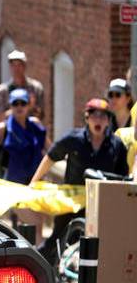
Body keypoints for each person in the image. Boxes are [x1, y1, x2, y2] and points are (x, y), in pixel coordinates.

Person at [31, 98, 129, 265]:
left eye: (103, 116)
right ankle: (43, 269)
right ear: (87, 118)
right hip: (71, 201)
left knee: (100, 246)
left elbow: (123, 177)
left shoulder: (117, 145)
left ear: (108, 120)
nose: (98, 120)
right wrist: (34, 181)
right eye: (94, 116)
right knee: (55, 241)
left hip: (101, 202)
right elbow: (51, 157)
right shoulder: (73, 138)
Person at [0, 88, 49, 243]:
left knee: (37, 225)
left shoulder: (35, 125)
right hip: (11, 186)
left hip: (34, 184)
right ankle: (39, 258)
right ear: (10, 106)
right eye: (15, 103)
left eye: (23, 103)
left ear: (29, 106)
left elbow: (50, 151)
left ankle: (32, 255)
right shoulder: (2, 128)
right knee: (35, 221)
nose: (19, 107)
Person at [0, 50, 45, 123]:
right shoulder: (3, 90)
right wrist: (20, 109)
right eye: (13, 65)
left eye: (19, 65)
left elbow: (40, 116)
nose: (16, 69)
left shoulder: (36, 88)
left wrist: (32, 107)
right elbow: (0, 118)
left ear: (24, 66)